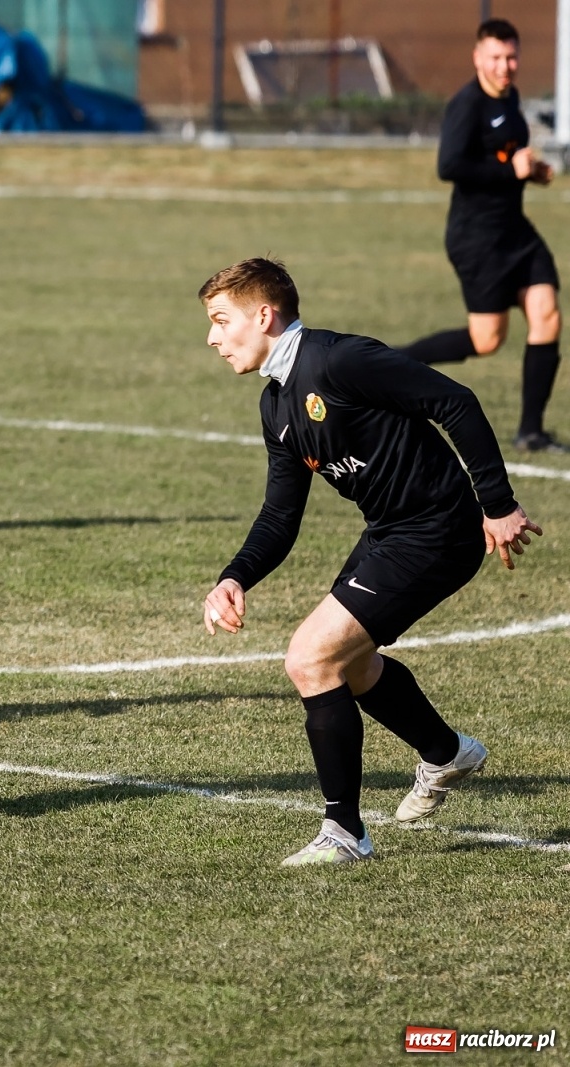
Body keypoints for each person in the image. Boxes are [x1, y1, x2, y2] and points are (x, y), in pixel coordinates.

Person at [199, 258, 542, 866]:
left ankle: (344, 832)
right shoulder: (276, 405)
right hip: (391, 533)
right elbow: (281, 517)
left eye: (222, 321)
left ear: (263, 315)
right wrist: (235, 576)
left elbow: (454, 401)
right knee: (352, 667)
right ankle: (447, 752)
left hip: (439, 530)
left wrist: (498, 504)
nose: (213, 338)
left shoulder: (339, 360)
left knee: (310, 658)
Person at [402, 19, 565, 453]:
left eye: (511, 56)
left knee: (547, 314)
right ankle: (397, 363)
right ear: (478, 58)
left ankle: (531, 431)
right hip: (478, 240)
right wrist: (509, 171)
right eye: (495, 57)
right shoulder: (466, 105)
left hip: (516, 232)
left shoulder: (510, 98)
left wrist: (534, 173)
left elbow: (507, 160)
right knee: (487, 339)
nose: (504, 65)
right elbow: (450, 167)